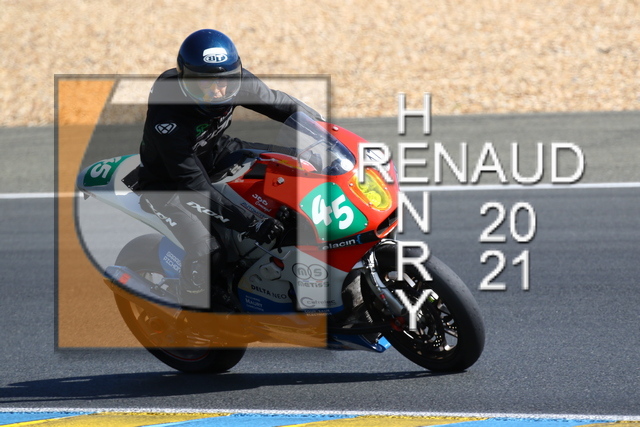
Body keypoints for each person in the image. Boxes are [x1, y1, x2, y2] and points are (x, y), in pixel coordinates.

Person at [136, 29, 324, 310]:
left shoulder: (236, 80)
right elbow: (192, 183)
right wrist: (251, 222)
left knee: (303, 164)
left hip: (216, 151)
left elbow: (281, 105)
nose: (217, 91)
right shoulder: (168, 114)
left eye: (225, 81)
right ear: (185, 81)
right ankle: (192, 308)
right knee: (208, 252)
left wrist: (325, 131)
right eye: (204, 84)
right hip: (168, 182)